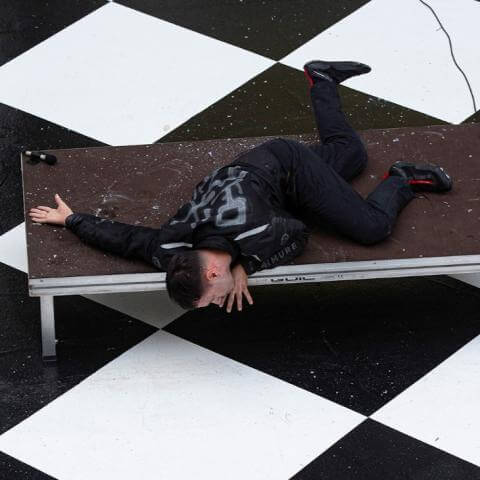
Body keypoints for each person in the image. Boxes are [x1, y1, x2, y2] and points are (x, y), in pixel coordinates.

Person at [28, 60, 453, 313]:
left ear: (213, 272)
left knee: (371, 227)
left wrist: (247, 266)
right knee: (350, 154)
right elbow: (125, 239)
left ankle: (401, 178)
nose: (217, 304)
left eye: (211, 298)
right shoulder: (171, 252)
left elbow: (298, 235)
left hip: (287, 167)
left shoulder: (257, 231)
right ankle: (321, 78)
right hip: (256, 171)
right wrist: (72, 220)